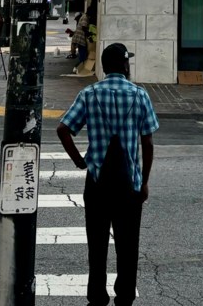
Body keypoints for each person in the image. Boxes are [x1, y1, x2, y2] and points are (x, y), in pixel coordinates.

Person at [58, 43, 159, 306]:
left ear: (103, 66)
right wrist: (144, 181)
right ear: (125, 65)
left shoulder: (89, 93)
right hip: (129, 186)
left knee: (97, 244)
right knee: (128, 246)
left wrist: (80, 161)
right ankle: (124, 296)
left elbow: (63, 129)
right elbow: (147, 143)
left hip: (97, 182)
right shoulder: (140, 95)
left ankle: (97, 296)